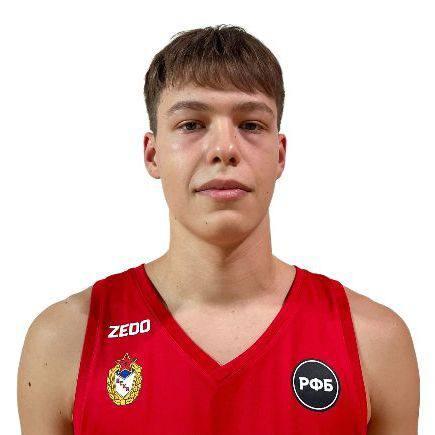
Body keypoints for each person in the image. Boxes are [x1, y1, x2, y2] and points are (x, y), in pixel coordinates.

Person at [17, 24, 419, 434]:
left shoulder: (374, 341)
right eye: (192, 124)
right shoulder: (64, 342)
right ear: (153, 155)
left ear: (280, 155)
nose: (224, 149)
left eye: (251, 125)